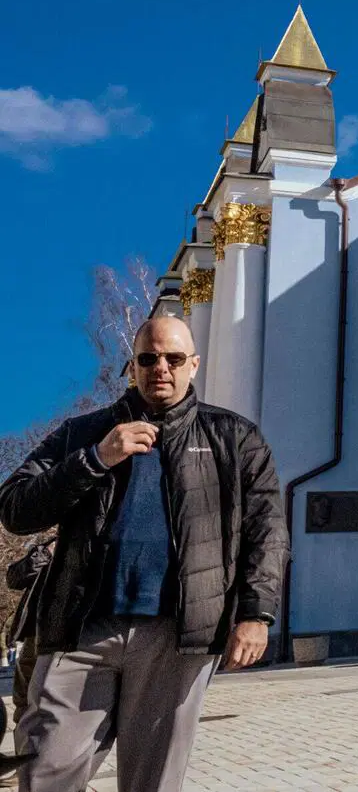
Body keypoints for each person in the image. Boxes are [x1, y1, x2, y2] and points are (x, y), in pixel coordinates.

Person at [0, 317, 286, 792]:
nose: (161, 368)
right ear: (131, 366)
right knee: (45, 770)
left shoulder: (234, 438)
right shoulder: (84, 433)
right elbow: (14, 508)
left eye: (174, 359)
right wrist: (94, 460)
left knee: (152, 783)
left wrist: (257, 614)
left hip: (178, 636)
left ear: (194, 365)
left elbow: (267, 531)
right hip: (82, 630)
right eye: (149, 358)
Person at [5, 535, 53, 751]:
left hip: (72, 636)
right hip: (36, 633)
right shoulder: (47, 547)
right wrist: (43, 554)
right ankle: (21, 757)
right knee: (24, 701)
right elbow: (13, 578)